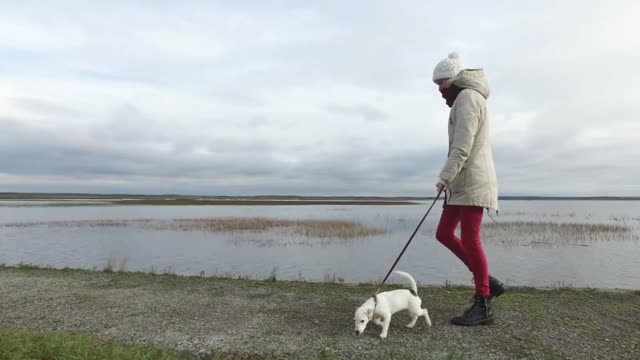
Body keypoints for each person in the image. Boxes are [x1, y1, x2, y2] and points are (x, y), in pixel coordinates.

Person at [431, 52, 505, 326]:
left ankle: (483, 302)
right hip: (460, 184)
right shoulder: (461, 100)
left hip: (473, 181)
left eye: (441, 84)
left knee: (471, 239)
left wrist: (443, 178)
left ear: (453, 80)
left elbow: (463, 147)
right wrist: (449, 181)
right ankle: (486, 279)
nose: (439, 91)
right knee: (443, 233)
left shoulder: (468, 98)